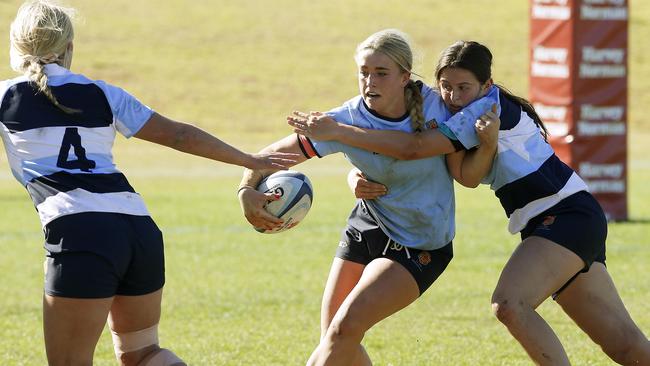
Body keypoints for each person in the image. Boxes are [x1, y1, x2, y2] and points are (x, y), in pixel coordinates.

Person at [289, 40, 650, 365]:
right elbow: (465, 176)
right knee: (626, 347)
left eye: (464, 87)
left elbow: (412, 149)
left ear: (486, 86)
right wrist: (355, 176)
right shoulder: (453, 116)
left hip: (567, 214)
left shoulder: (485, 110)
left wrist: (337, 131)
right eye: (446, 86)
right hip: (553, 223)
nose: (453, 96)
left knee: (510, 304)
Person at [0, 1, 297, 365]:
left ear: (16, 48)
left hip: (79, 233)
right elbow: (180, 136)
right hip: (138, 230)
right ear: (69, 47)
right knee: (144, 355)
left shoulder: (5, 97)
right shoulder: (104, 93)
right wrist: (248, 159)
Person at [237, 30, 498, 366]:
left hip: (422, 243)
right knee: (336, 337)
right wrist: (246, 188)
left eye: (381, 73)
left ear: (405, 77)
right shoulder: (347, 118)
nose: (369, 81)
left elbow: (416, 152)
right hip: (367, 225)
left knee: (343, 332)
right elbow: (274, 154)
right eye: (363, 72)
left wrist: (489, 143)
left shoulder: (439, 106)